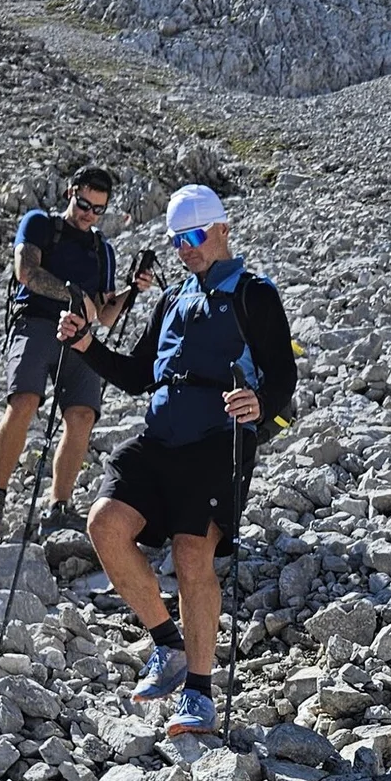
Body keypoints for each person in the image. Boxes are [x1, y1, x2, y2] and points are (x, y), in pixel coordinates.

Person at [57, 183, 296, 738]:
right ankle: (167, 644)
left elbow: (283, 373)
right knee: (105, 524)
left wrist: (260, 406)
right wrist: (87, 346)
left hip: (218, 441)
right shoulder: (172, 299)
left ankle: (200, 692)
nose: (184, 248)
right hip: (159, 438)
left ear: (221, 229)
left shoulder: (255, 294)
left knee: (193, 554)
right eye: (175, 240)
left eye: (192, 236)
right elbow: (142, 374)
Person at [0, 164, 144, 538]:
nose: (89, 215)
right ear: (71, 193)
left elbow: (103, 315)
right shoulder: (40, 223)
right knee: (24, 401)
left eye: (98, 210)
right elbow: (27, 273)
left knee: (83, 415)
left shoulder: (103, 249)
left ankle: (60, 505)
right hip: (35, 322)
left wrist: (131, 290)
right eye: (85, 204)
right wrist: (73, 293)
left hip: (80, 336)